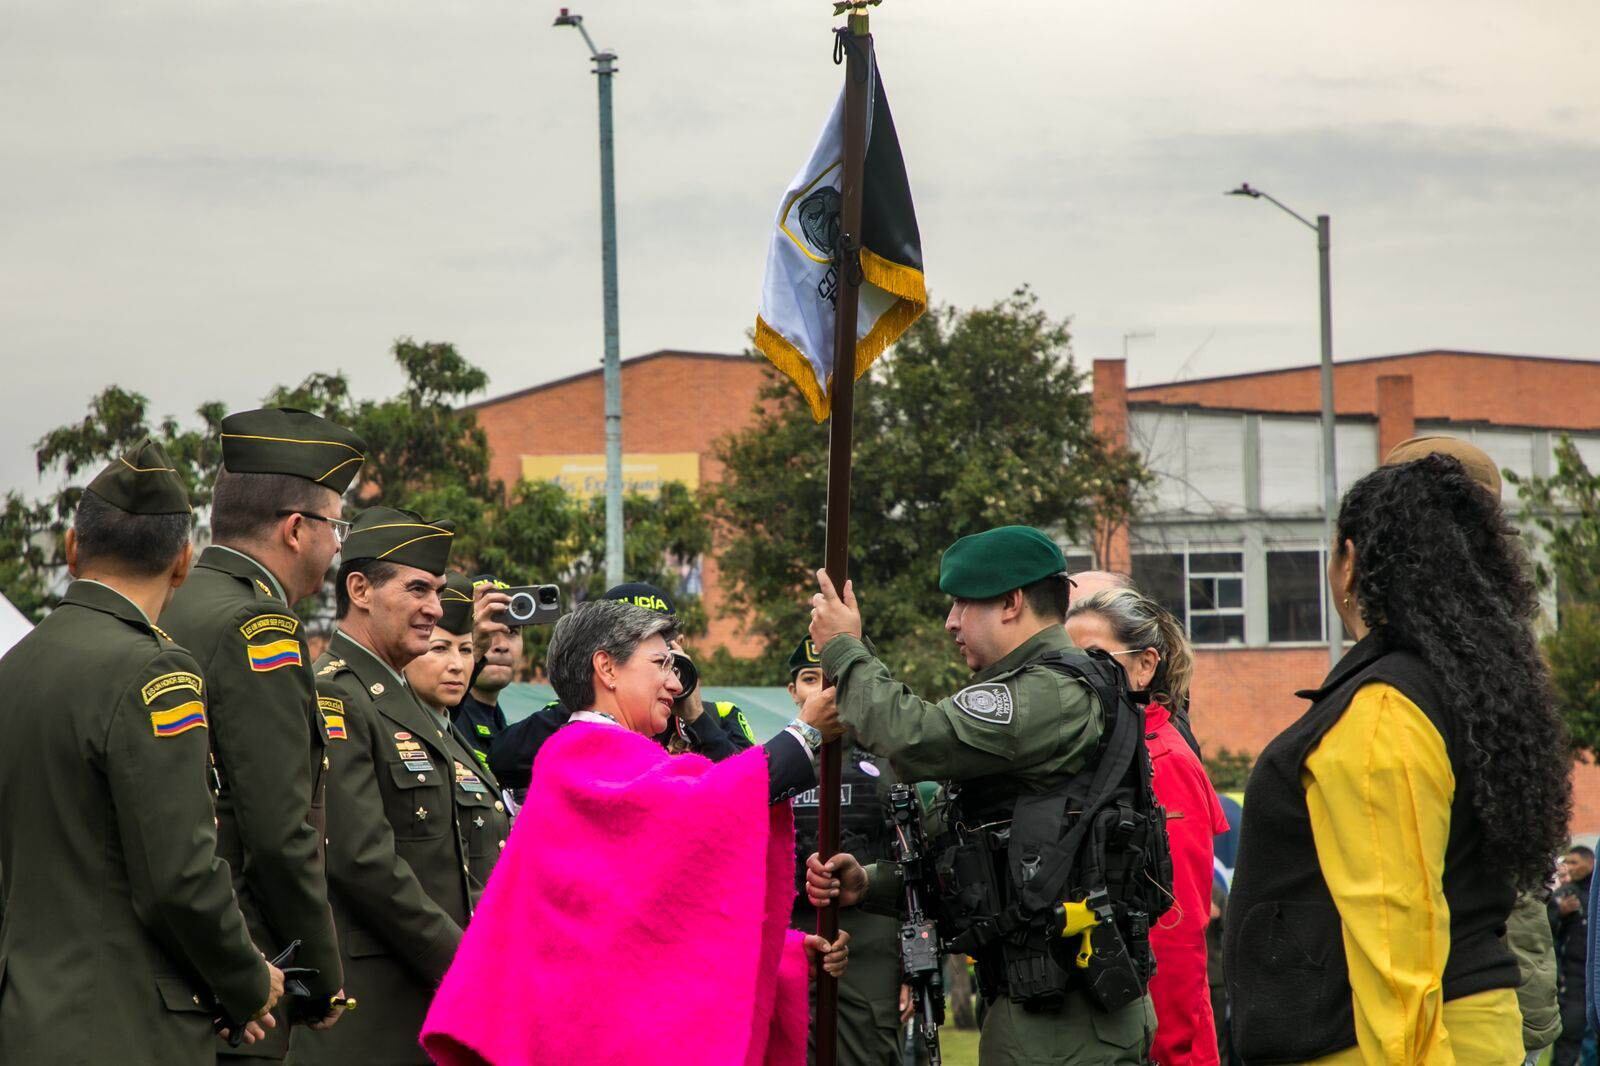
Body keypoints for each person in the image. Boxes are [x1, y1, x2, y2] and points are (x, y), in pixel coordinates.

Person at [1224, 452, 1572, 1064]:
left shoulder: (1385, 706)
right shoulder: (1464, 685)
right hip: (1455, 1028)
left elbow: (1394, 938)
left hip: (1389, 1042)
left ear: (1351, 561)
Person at [421, 599, 850, 1065]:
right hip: (585, 1033)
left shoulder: (609, 756)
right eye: (660, 663)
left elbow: (647, 909)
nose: (674, 681)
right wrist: (803, 735)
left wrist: (778, 950)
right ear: (606, 667)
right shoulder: (582, 753)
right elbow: (703, 807)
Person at [805, 525, 1163, 1064]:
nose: (950, 622)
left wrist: (844, 649)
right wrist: (874, 883)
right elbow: (995, 855)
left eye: (962, 604)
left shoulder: (1048, 694)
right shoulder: (1044, 689)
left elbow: (913, 739)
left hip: (1061, 1024)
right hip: (1052, 1011)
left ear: (1012, 602)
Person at [0, 439, 284, 1064]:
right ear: (184, 562)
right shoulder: (158, 673)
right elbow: (180, 876)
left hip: (23, 1019)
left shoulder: (14, 667)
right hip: (124, 1027)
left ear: (73, 550)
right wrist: (246, 979)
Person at [159, 407, 363, 1057]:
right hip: (243, 982)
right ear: (297, 529)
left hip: (163, 968)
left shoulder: (172, 603)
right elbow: (278, 831)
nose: (339, 546)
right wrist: (321, 978)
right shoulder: (260, 627)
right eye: (337, 526)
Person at [291, 506, 478, 1066]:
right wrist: (465, 962)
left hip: (426, 1002)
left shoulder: (400, 699)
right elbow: (361, 858)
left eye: (439, 592)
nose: (435, 610)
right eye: (418, 588)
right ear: (359, 589)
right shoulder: (339, 694)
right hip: (376, 1012)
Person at [1067, 586, 1229, 1066]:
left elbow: (1175, 927)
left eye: (1095, 657)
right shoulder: (1103, 750)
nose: (1078, 675)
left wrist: (1171, 1050)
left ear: (1145, 664)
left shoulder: (1162, 758)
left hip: (1163, 1042)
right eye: (1066, 662)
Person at [488, 581, 774, 795]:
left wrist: (697, 717)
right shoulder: (569, 718)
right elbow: (502, 761)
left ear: (680, 647)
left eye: (665, 652)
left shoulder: (719, 715)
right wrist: (590, 698)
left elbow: (752, 792)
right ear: (606, 661)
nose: (671, 680)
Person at [787, 636, 908, 1066]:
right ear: (792, 692)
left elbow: (910, 864)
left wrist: (910, 969)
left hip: (870, 937)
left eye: (836, 680)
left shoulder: (891, 763)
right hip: (793, 934)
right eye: (809, 678)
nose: (823, 690)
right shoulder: (779, 762)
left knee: (867, 1050)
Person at [403, 571, 513, 906]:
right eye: (438, 648)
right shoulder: (395, 729)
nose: (456, 664)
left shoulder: (450, 736)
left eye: (467, 650)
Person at [448, 574, 517, 770]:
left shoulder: (505, 723)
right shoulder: (443, 714)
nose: (501, 645)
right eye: (486, 631)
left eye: (512, 632)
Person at [1553, 845, 1594, 1065]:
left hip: (1594, 976)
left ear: (1591, 862)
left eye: (1574, 862)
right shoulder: (1566, 894)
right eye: (1567, 863)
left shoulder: (1595, 895)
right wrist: (1559, 912)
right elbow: (1545, 930)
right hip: (1573, 978)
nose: (1569, 867)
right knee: (1569, 1038)